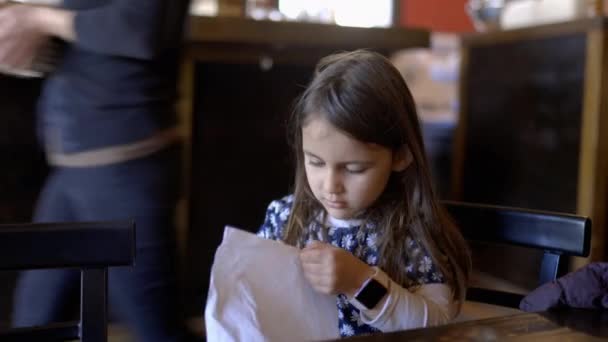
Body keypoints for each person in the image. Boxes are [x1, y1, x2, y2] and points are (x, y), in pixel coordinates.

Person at [0, 1, 194, 341]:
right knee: (33, 320)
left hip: (125, 166)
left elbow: (141, 28)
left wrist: (39, 18)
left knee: (157, 328)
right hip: (77, 168)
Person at [257, 50, 472, 338]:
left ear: (401, 156)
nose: (330, 185)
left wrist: (358, 281)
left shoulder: (413, 233)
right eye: (316, 162)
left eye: (354, 168)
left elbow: (438, 327)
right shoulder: (285, 218)